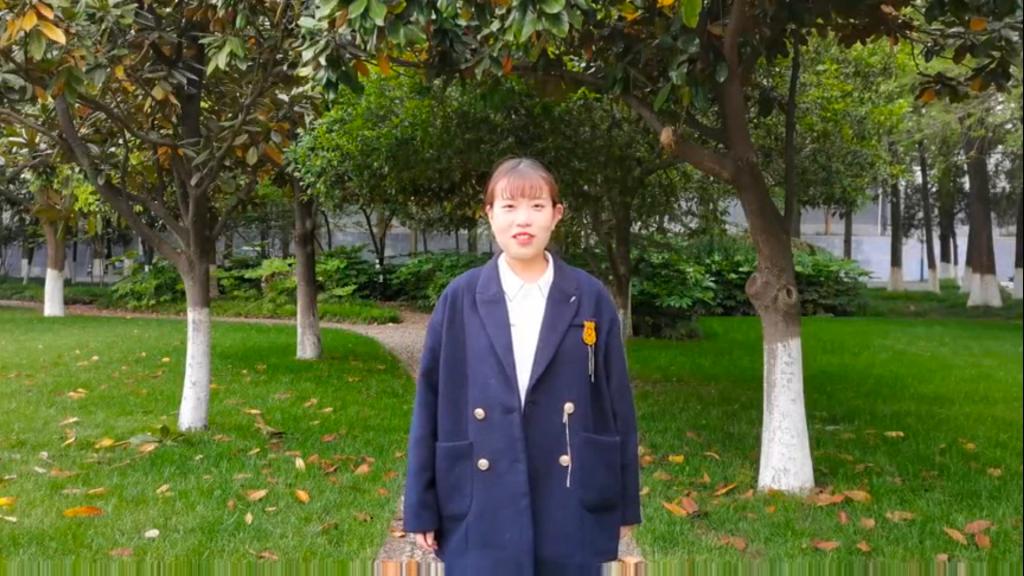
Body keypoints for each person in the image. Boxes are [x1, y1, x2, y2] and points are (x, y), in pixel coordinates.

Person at [403, 157, 641, 576]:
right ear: (489, 214)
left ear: (557, 214)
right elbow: (430, 404)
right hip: (480, 494)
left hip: (568, 489)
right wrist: (421, 505)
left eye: (536, 206)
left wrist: (622, 502)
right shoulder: (460, 298)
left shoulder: (589, 297)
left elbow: (617, 404)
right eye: (509, 206)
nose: (523, 220)